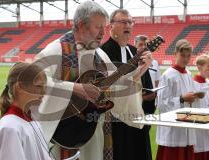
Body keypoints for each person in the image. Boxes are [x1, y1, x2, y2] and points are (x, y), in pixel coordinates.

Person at [35, 2, 152, 160]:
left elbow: (115, 87)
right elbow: (34, 83)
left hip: (95, 131)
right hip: (64, 134)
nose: (104, 33)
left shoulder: (100, 56)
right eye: (99, 27)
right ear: (82, 25)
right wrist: (75, 88)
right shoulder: (55, 52)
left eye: (105, 27)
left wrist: (138, 72)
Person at [101, 10, 153, 160]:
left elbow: (145, 84)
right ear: (111, 26)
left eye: (130, 22)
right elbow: (110, 87)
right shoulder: (103, 52)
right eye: (123, 22)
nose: (128, 25)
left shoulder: (134, 51)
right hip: (115, 121)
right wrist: (140, 70)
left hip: (135, 115)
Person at [0, 62, 51, 160]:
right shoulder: (10, 128)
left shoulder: (32, 121)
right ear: (20, 87)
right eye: (39, 86)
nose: (44, 92)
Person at [156, 39, 202, 160]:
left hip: (187, 125)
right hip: (173, 129)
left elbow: (189, 95)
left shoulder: (188, 74)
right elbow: (161, 103)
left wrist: (194, 97)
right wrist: (181, 99)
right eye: (182, 55)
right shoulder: (167, 75)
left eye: (188, 56)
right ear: (175, 54)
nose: (186, 59)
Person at [193, 54, 209, 160]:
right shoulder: (193, 83)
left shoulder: (207, 82)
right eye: (208, 67)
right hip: (198, 124)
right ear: (199, 66)